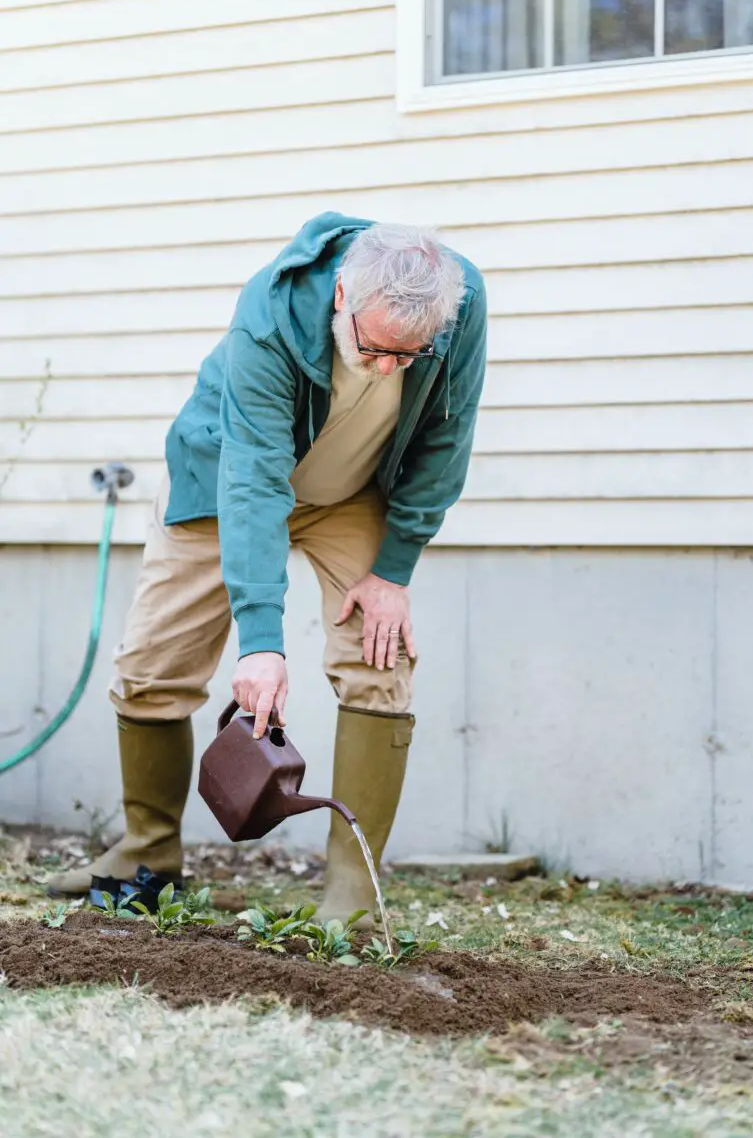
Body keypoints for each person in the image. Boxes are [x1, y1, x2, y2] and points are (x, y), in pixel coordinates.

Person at [48, 211, 487, 921]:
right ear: (342, 295)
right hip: (227, 479)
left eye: (406, 358)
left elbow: (448, 438)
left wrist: (394, 572)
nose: (385, 369)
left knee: (380, 661)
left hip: (349, 494)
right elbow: (253, 478)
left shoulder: (459, 306)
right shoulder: (270, 313)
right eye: (375, 349)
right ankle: (148, 855)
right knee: (153, 666)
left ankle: (352, 895)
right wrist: (261, 641)